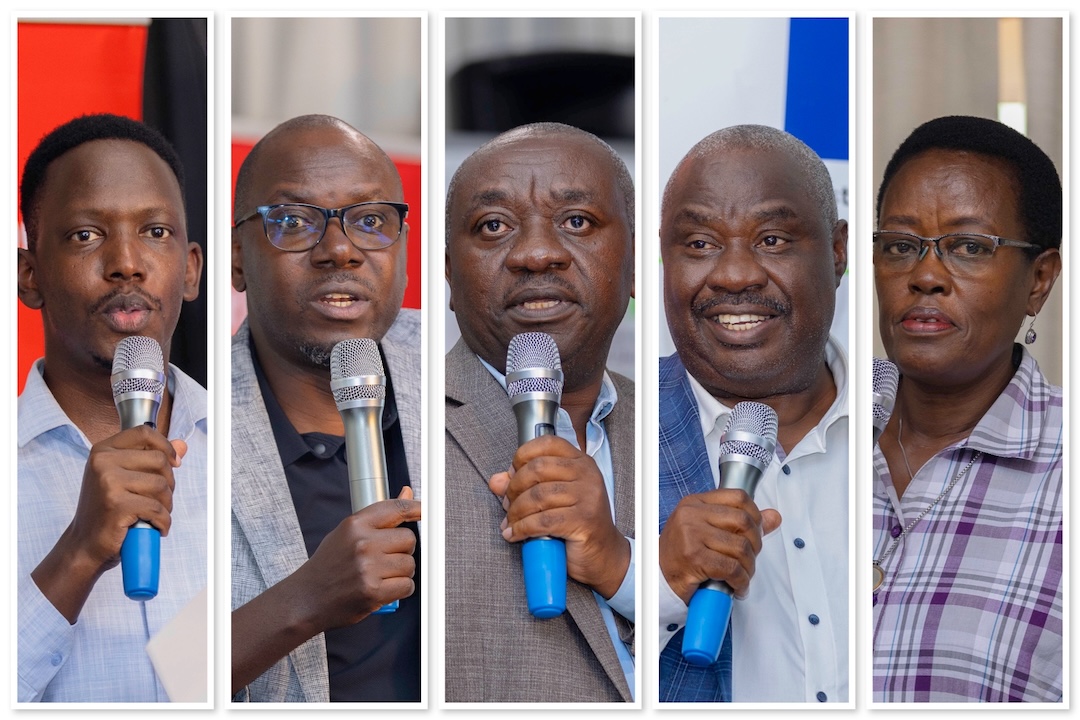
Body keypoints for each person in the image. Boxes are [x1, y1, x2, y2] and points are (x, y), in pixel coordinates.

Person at [230, 114, 422, 702]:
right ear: (237, 259)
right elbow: (143, 679)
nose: (339, 250)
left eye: (370, 221)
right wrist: (305, 599)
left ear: (404, 250)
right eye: (293, 221)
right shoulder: (186, 420)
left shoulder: (467, 379)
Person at [872, 115, 1062, 703]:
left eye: (969, 247)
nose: (925, 275)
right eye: (901, 246)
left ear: (1039, 280)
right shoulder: (811, 435)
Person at [17, 114, 206, 702]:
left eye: (155, 232)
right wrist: (79, 549)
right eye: (85, 236)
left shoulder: (255, 442)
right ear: (30, 275)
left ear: (192, 269)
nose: (127, 261)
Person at [444, 122, 636, 702]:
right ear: (448, 271)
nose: (535, 254)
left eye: (576, 222)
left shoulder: (693, 425)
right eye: (494, 226)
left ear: (633, 263)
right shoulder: (395, 426)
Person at [658, 125, 849, 703]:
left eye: (771, 240)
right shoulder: (609, 434)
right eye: (699, 244)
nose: (735, 275)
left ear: (838, 251)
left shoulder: (914, 422)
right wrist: (661, 587)